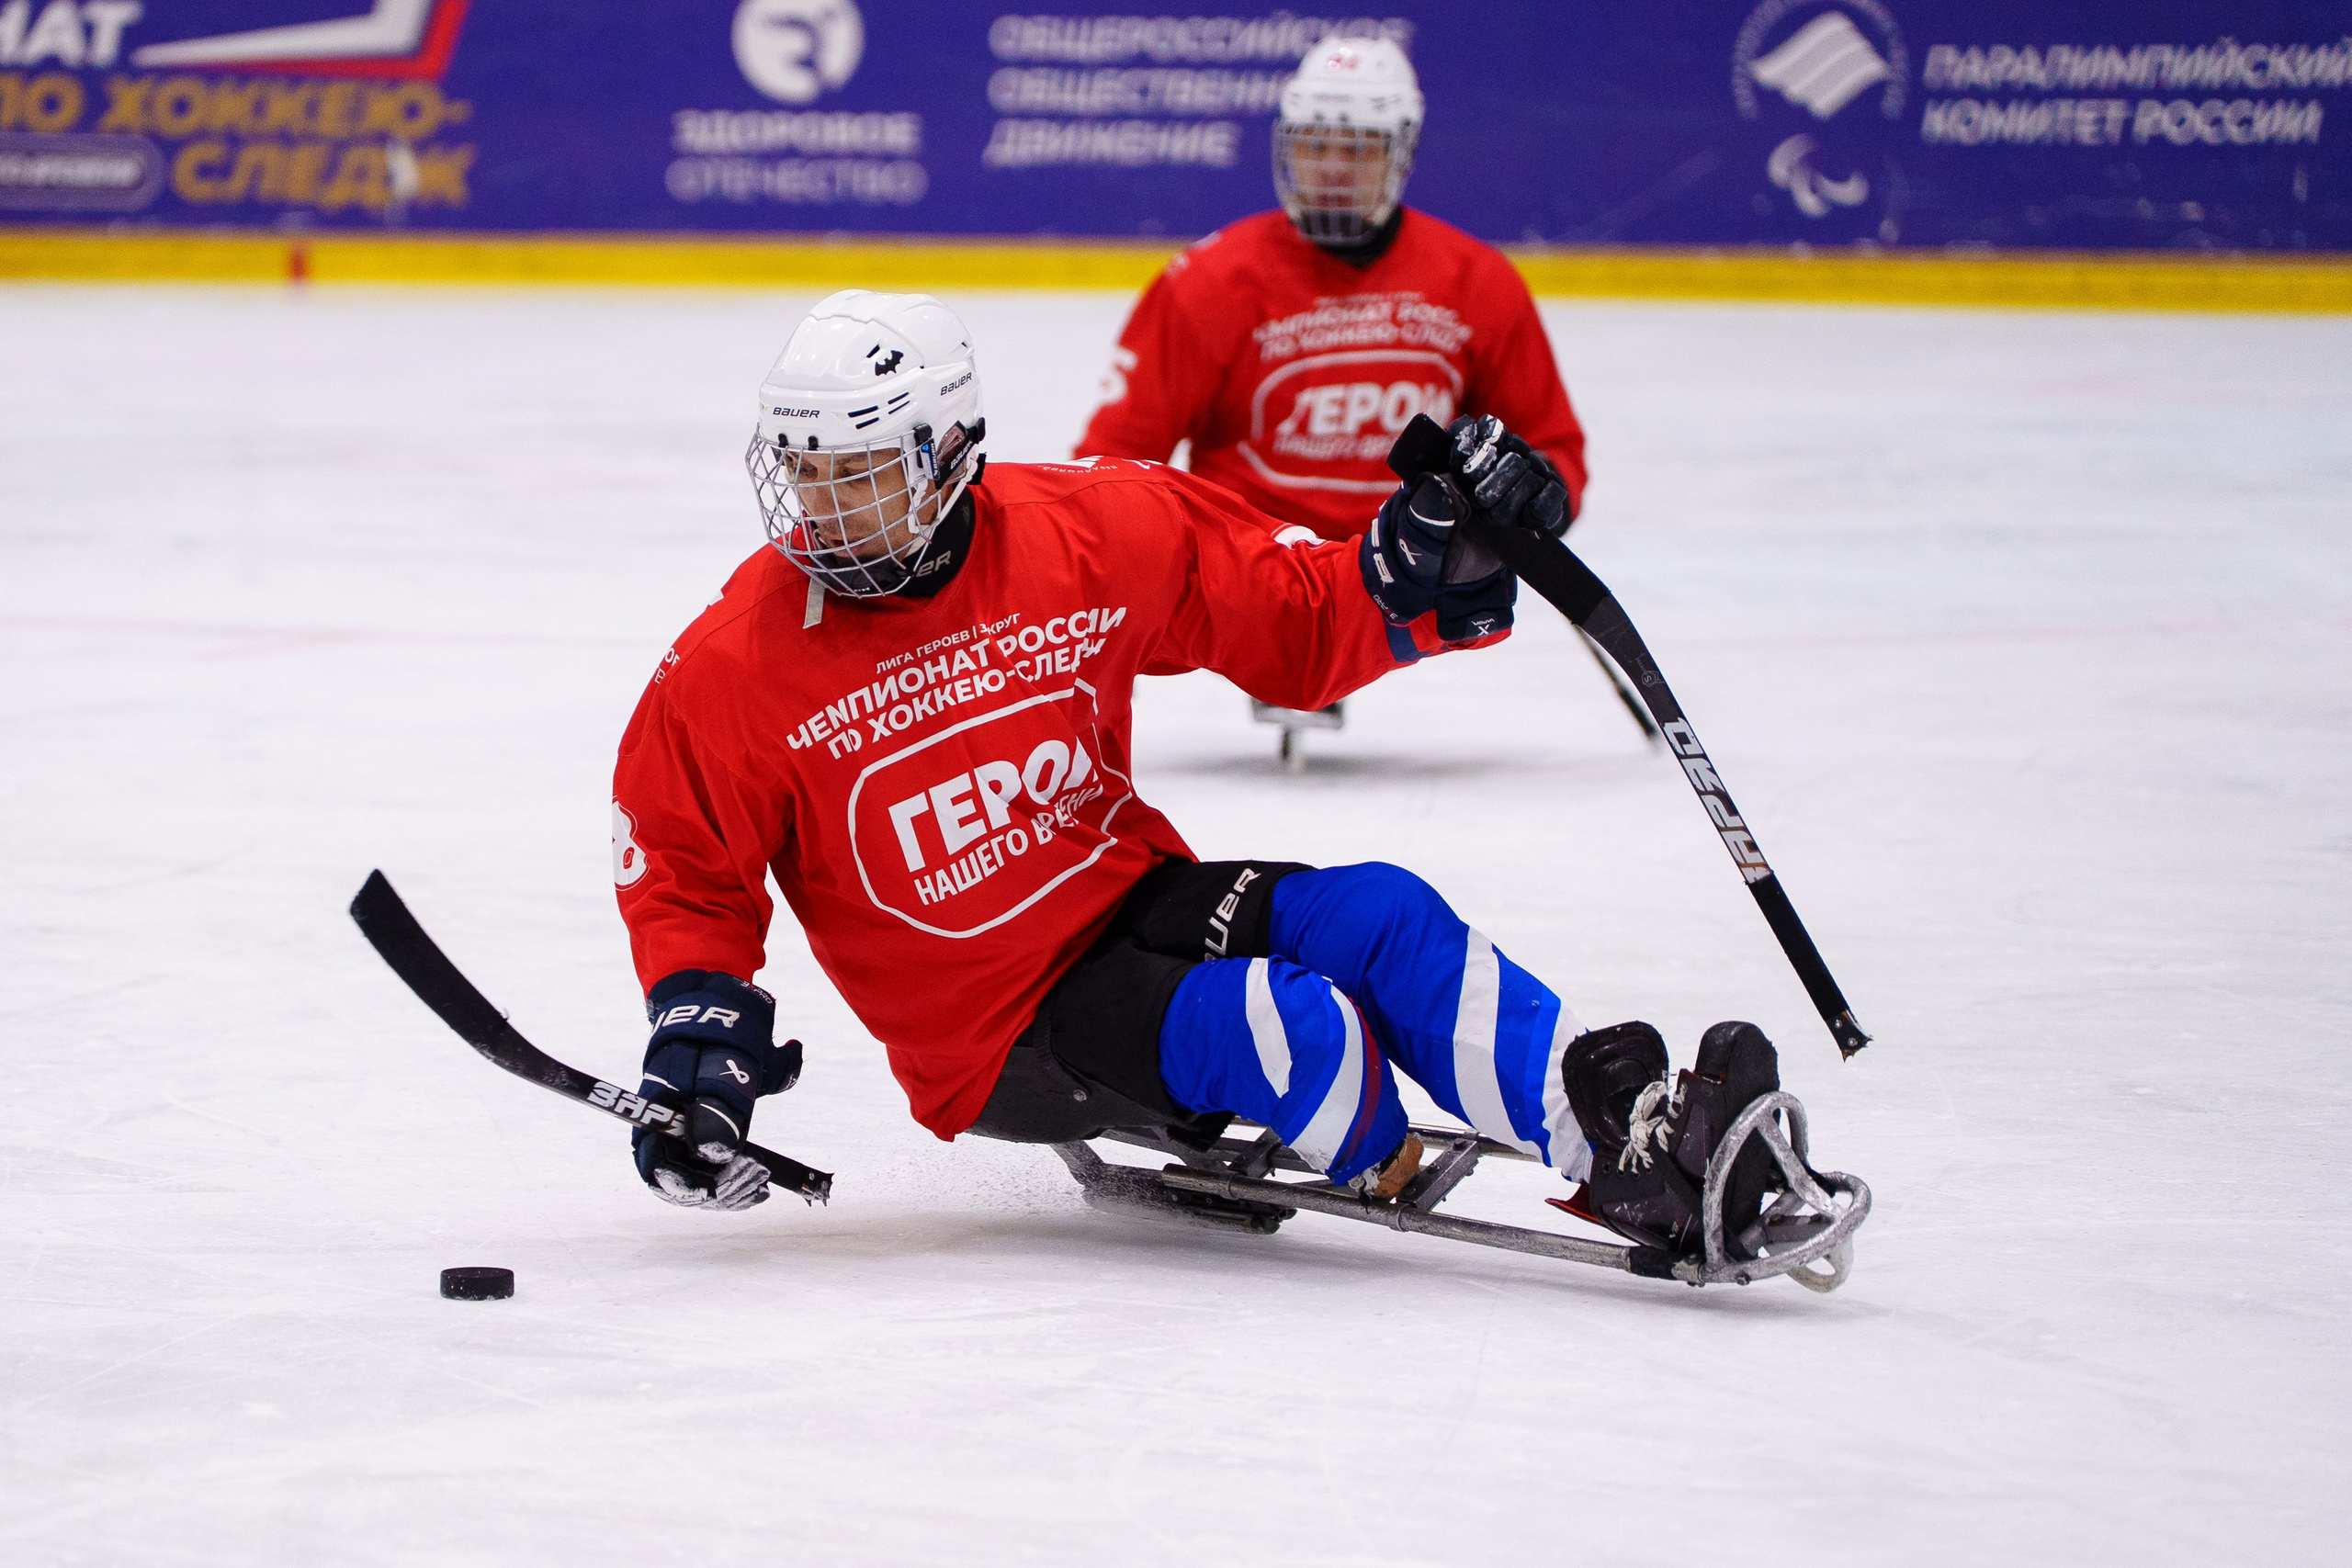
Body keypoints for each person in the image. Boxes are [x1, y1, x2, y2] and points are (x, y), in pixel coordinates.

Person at [610, 288, 1787, 1264]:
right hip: (995, 1034)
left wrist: (1429, 561)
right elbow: (686, 870)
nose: (819, 509)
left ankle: (1626, 1149)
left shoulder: (1088, 530)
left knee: (1381, 915)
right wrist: (699, 1053)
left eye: (859, 471)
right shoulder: (733, 666)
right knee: (1296, 1026)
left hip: (1129, 898)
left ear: (950, 451)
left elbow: (1291, 617)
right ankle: (1378, 1149)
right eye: (804, 469)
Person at [1076, 36, 1589, 765]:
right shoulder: (1210, 283)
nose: (1333, 168)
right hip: (1250, 573)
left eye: (1358, 148)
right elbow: (1111, 464)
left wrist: (1535, 491)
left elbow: (1553, 444)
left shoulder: (1477, 281)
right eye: (1315, 145)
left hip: (1415, 567)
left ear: (1402, 152)